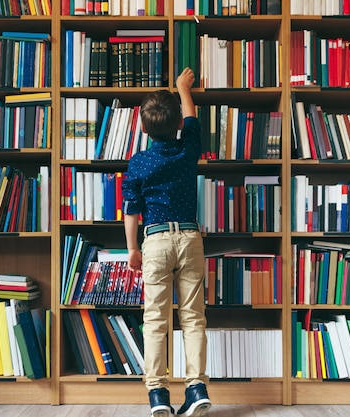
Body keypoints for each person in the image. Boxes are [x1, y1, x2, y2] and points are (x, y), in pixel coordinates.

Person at [122, 67, 211, 417]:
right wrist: (182, 88)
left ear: (143, 128)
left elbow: (131, 209)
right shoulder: (188, 150)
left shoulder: (139, 161)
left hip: (156, 240)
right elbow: (192, 120)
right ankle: (197, 388)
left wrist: (132, 248)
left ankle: (158, 395)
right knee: (194, 319)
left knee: (156, 320)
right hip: (190, 237)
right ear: (176, 126)